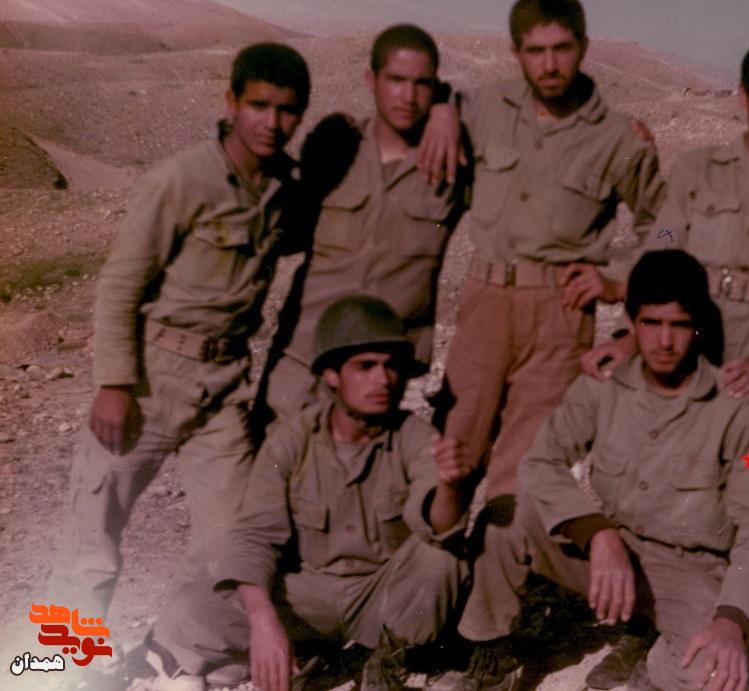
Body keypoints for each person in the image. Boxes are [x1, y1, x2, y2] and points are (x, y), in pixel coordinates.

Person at [578, 40, 749, 683]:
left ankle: (725, 619)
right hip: (688, 356)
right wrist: (629, 332)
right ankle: (648, 621)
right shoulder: (700, 173)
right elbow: (663, 242)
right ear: (743, 97)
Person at [49, 43, 311, 625]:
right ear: (231, 102)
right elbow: (121, 285)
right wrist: (114, 383)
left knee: (234, 540)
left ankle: (184, 653)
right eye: (259, 105)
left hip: (224, 389)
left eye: (288, 110)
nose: (272, 123)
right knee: (92, 537)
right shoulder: (180, 180)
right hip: (152, 378)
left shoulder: (283, 191)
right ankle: (60, 664)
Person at [453, 250, 749, 691]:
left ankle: (653, 659)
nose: (665, 341)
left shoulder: (738, 412)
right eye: (651, 323)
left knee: (713, 677)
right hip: (612, 552)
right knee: (507, 516)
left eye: (679, 325)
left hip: (688, 573)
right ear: (632, 323)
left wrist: (733, 620)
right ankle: (493, 655)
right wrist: (596, 532)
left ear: (697, 326)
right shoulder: (603, 387)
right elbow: (541, 461)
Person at [144, 296, 473, 691]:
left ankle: (392, 660)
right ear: (332, 375)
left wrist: (450, 484)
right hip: (311, 597)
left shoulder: (415, 436)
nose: (383, 380)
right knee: (192, 608)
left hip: (383, 597)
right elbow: (255, 537)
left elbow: (439, 527)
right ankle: (307, 651)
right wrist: (263, 621)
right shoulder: (293, 441)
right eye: (365, 367)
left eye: (391, 367)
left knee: (440, 559)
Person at [435, 0, 665, 510]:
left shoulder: (617, 138)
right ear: (515, 52)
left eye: (562, 49)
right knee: (452, 453)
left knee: (525, 471)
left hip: (561, 314)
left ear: (583, 47)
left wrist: (619, 280)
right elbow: (421, 105)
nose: (550, 64)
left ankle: (501, 559)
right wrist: (441, 111)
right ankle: (435, 560)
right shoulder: (483, 109)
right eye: (535, 51)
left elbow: (668, 226)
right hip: (484, 304)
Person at [256, 24, 467, 426]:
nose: (408, 96)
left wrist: (448, 108)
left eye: (422, 84)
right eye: (396, 80)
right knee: (273, 459)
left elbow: (514, 114)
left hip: (381, 372)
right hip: (302, 359)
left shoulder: (450, 162)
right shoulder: (336, 149)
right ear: (371, 80)